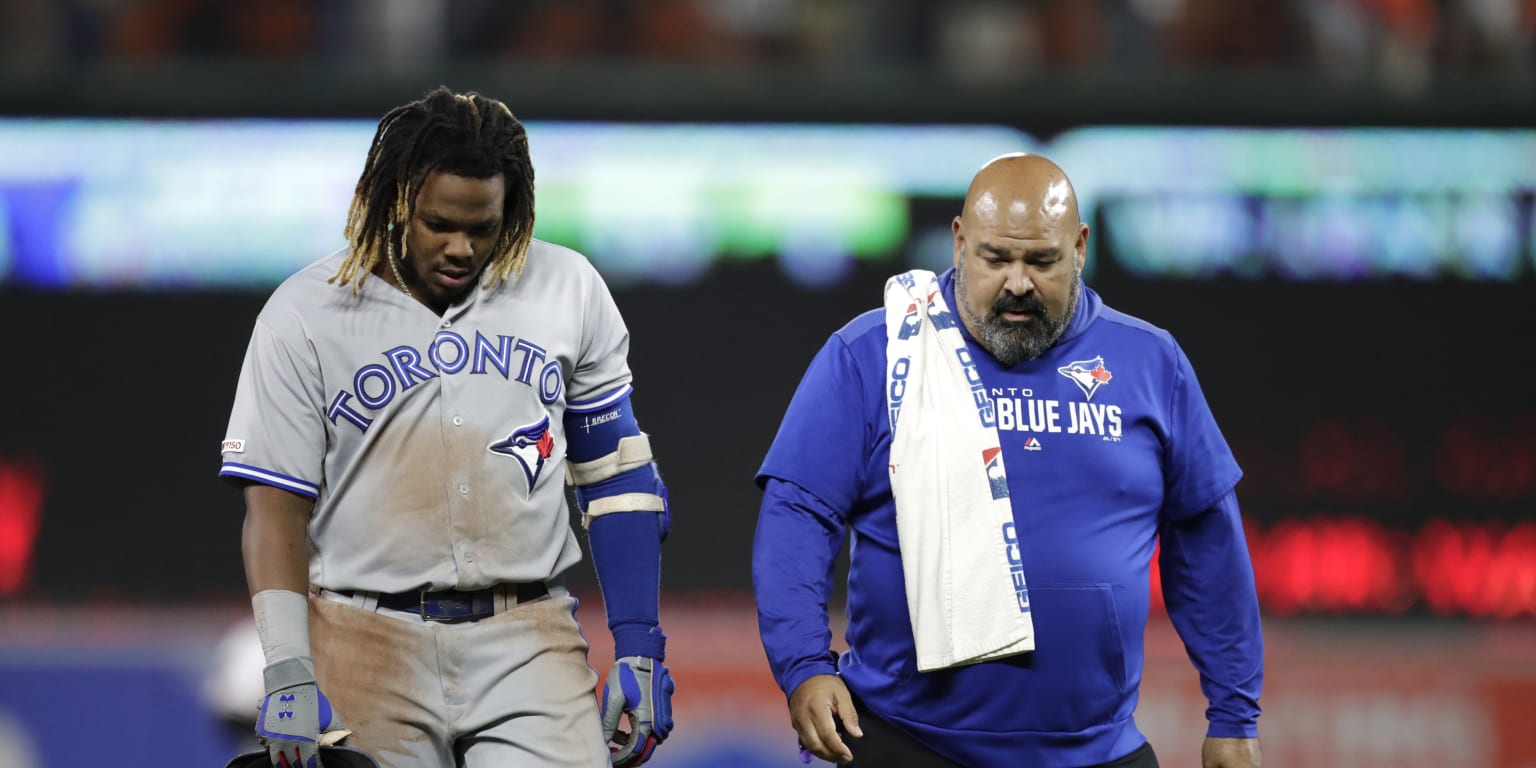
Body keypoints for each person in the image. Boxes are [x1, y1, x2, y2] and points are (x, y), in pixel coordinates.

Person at [753, 153, 1262, 768]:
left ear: (1079, 247)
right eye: (996, 259)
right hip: (899, 740)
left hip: (1095, 750)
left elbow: (1207, 541)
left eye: (1041, 261)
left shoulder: (1152, 362)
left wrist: (1234, 712)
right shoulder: (875, 353)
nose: (1017, 282)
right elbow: (797, 514)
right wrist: (805, 664)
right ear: (960, 242)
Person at [218, 86, 675, 768]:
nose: (461, 247)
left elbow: (618, 479)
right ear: (397, 200)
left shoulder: (566, 287)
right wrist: (287, 666)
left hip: (527, 632)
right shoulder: (306, 312)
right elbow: (275, 504)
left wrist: (638, 643)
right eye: (440, 224)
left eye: (483, 228)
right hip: (361, 632)